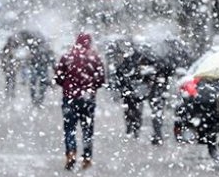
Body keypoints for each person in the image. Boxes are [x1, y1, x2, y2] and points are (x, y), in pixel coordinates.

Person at [54, 33, 106, 170]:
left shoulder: (67, 57)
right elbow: (101, 79)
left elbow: (58, 77)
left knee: (69, 128)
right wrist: (90, 87)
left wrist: (68, 86)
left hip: (70, 97)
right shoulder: (94, 58)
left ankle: (71, 153)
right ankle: (87, 158)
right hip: (88, 99)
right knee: (87, 129)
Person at [114, 43, 170, 145]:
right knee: (146, 111)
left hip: (139, 89)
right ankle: (143, 130)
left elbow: (120, 73)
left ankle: (135, 128)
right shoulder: (154, 60)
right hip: (141, 89)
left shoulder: (135, 60)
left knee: (136, 110)